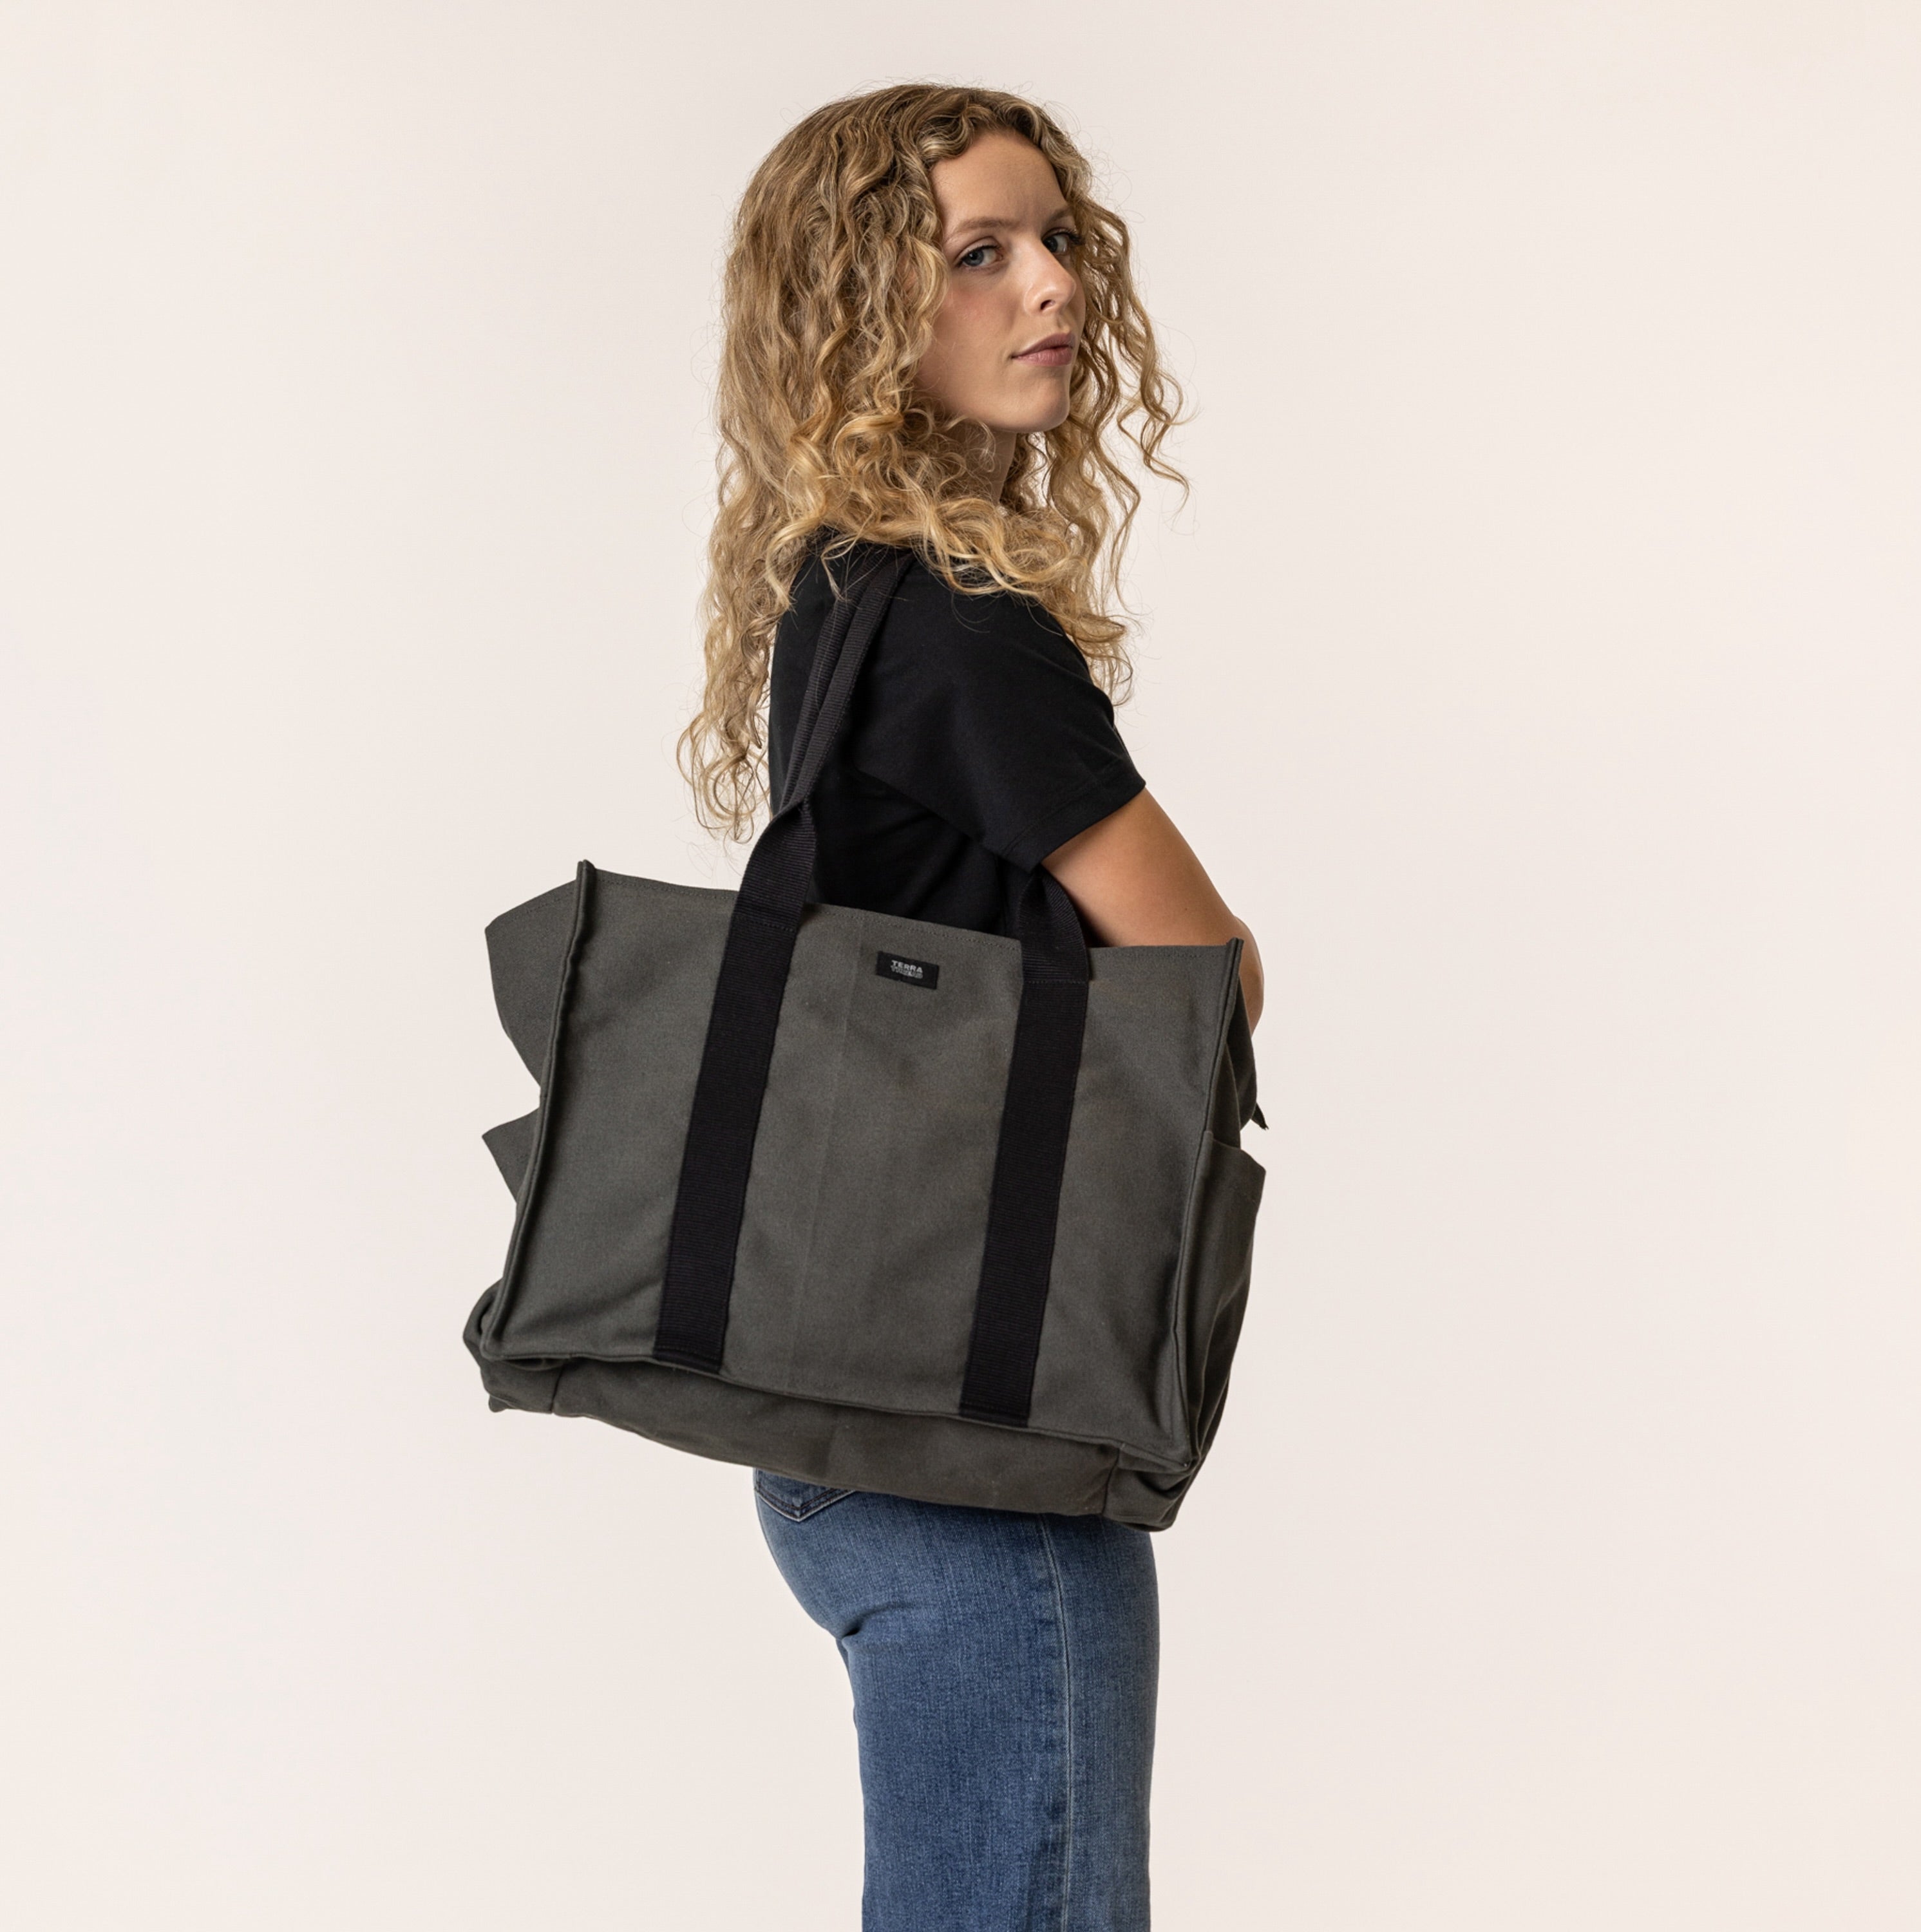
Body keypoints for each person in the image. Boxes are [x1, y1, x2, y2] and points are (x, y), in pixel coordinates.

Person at [679, 84, 1265, 1932]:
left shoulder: (833, 598)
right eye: (977, 256)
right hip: (976, 1452)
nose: (1048, 290)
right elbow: (1206, 969)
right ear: (859, 309)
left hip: (853, 1421)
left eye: (1058, 241)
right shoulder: (955, 619)